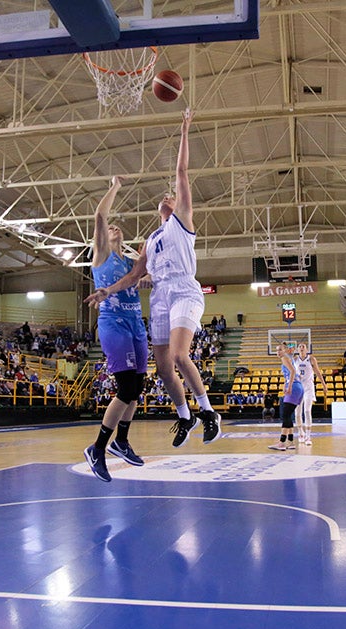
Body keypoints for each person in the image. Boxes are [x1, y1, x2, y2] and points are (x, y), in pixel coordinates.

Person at [85, 109, 222, 448]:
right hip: (160, 296)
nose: (167, 197)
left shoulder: (183, 221)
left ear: (178, 204)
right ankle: (185, 416)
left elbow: (181, 171)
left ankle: (208, 412)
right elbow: (134, 274)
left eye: (171, 196)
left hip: (183, 288)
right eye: (165, 197)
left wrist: (185, 129)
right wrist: (108, 290)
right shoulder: (150, 239)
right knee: (162, 369)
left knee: (178, 355)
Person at [83, 176, 148, 483]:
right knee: (125, 389)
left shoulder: (129, 261)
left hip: (136, 325)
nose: (114, 228)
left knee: (137, 389)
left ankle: (121, 441)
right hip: (114, 325)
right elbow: (100, 216)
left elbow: (141, 277)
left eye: (116, 227)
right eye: (111, 228)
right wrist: (115, 186)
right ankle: (97, 448)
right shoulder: (102, 255)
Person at [268, 343, 304, 451]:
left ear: (285, 351)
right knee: (288, 415)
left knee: (285, 415)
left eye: (280, 350)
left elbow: (293, 371)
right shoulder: (288, 359)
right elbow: (288, 374)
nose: (278, 352)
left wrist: (289, 386)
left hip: (294, 387)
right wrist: (285, 385)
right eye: (277, 350)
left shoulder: (285, 358)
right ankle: (291, 442)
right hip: (298, 387)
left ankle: (281, 442)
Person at [293, 342, 326, 446]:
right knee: (297, 413)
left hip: (308, 387)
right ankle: (300, 433)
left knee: (307, 411)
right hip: (298, 388)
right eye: (300, 347)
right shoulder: (294, 359)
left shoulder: (311, 359)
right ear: (297, 350)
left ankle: (308, 436)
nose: (302, 348)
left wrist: (324, 385)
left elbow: (318, 372)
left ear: (307, 349)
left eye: (303, 346)